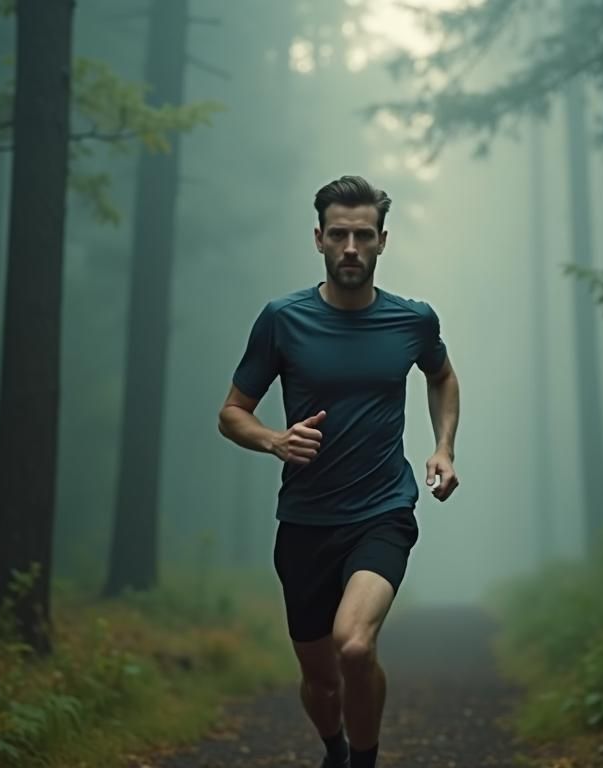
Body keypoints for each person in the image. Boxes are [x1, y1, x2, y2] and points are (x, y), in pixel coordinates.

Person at [217, 175, 460, 768]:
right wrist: (275, 440)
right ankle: (335, 749)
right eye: (339, 235)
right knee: (322, 683)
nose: (351, 247)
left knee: (354, 645)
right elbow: (231, 413)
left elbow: (442, 376)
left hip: (383, 512)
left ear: (382, 242)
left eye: (364, 235)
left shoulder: (412, 320)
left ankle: (363, 762)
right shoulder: (283, 319)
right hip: (305, 522)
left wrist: (444, 448)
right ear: (319, 239)